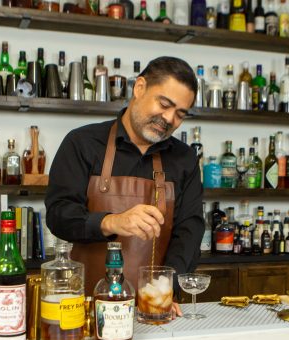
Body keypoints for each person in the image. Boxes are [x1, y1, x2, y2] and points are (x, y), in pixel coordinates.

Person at [45, 56, 204, 317]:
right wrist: (113, 222)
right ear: (139, 88)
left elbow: (190, 230)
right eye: (164, 104)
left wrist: (165, 289)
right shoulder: (82, 143)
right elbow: (59, 215)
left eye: (180, 114)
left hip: (153, 308)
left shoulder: (184, 158)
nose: (169, 119)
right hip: (85, 307)